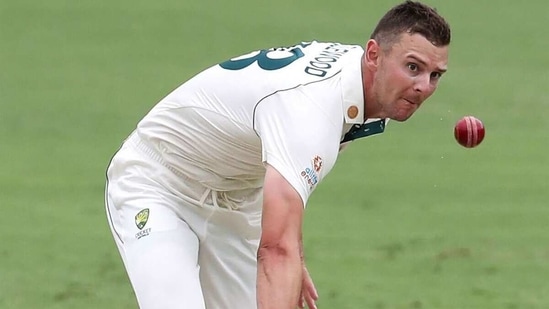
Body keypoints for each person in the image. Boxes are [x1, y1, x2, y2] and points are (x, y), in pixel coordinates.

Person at [104, 1, 451, 308]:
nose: (423, 87)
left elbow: (289, 182)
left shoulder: (360, 83)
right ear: (374, 54)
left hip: (238, 204)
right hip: (158, 185)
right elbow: (276, 249)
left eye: (435, 75)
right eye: (412, 67)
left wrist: (292, 253)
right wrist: (286, 254)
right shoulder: (313, 107)